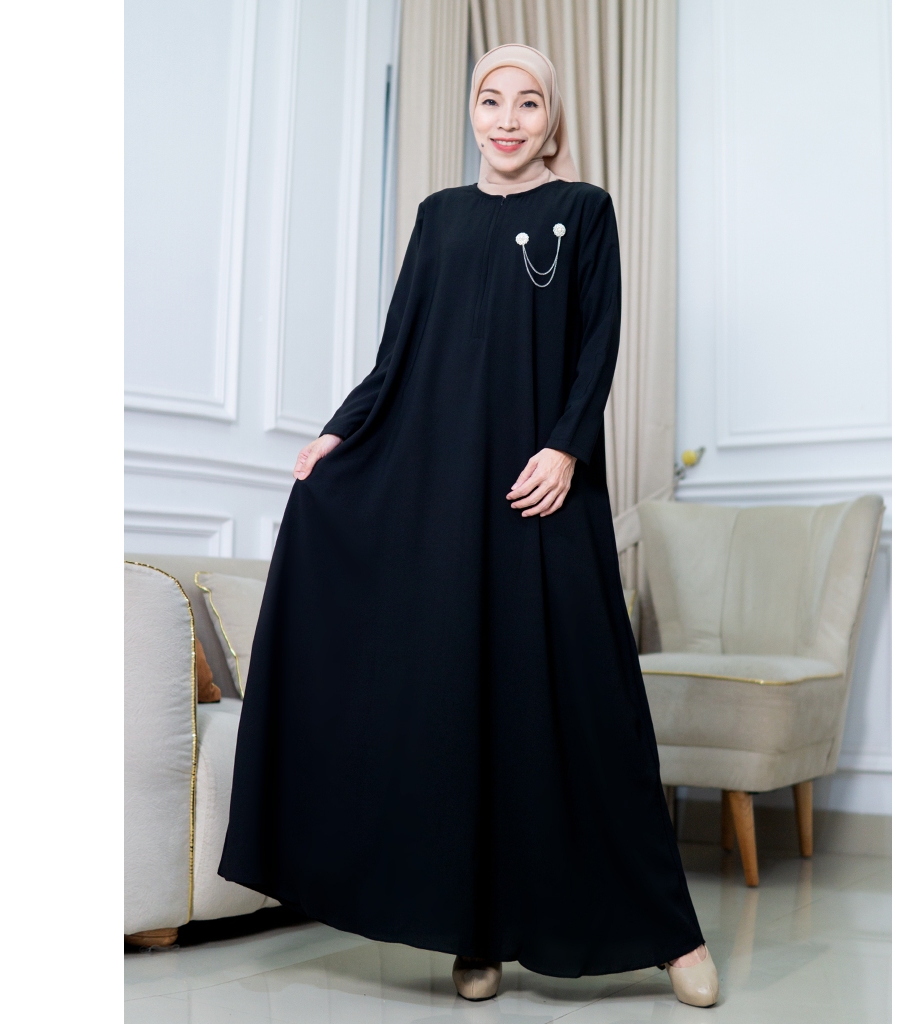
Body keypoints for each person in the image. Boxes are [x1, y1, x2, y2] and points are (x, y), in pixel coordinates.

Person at [218, 43, 718, 1008]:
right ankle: (473, 931)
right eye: (491, 100)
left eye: (528, 103)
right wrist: (337, 435)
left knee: (589, 708)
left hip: (545, 493)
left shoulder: (584, 210)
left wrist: (566, 449)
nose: (507, 119)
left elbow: (599, 341)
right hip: (446, 496)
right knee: (461, 707)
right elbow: (397, 355)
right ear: (472, 112)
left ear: (551, 119)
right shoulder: (438, 218)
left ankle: (671, 935)